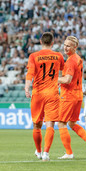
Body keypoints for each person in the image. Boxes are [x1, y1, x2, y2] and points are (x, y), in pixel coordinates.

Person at [25, 32, 64, 161]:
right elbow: (63, 73)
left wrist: (26, 88)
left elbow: (30, 74)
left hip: (37, 93)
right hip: (52, 93)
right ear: (52, 43)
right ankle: (46, 153)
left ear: (41, 42)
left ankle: (38, 151)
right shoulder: (58, 56)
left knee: (37, 125)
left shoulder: (34, 56)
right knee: (50, 125)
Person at [56, 36, 86, 160]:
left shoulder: (71, 61)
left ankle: (69, 153)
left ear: (75, 47)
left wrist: (54, 79)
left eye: (68, 45)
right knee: (72, 123)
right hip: (78, 95)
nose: (65, 47)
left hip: (69, 95)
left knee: (61, 123)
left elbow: (67, 80)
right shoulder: (78, 59)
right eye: (64, 45)